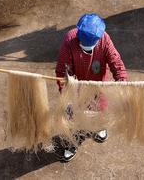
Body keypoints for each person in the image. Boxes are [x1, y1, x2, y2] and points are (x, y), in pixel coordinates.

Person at [54, 13, 129, 163]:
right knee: (73, 116)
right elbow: (62, 72)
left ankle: (96, 127)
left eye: (91, 43)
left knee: (98, 109)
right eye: (84, 42)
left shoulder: (104, 39)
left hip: (98, 85)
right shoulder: (70, 40)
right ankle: (72, 143)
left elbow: (116, 62)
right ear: (78, 34)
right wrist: (67, 96)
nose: (87, 46)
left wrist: (122, 81)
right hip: (76, 88)